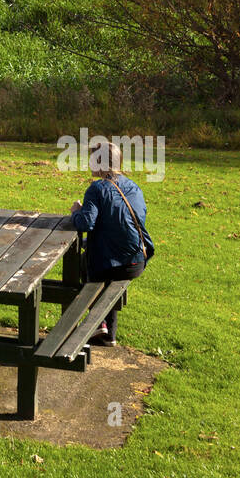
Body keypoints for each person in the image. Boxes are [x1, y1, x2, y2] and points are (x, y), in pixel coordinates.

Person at [70, 140, 154, 345]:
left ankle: (97, 324)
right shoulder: (133, 186)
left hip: (112, 265)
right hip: (137, 261)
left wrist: (76, 212)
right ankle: (108, 334)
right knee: (102, 261)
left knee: (86, 260)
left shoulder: (97, 188)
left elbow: (85, 224)